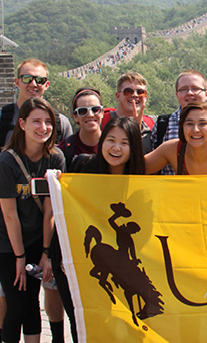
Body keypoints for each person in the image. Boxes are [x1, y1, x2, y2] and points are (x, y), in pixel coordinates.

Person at [0, 58, 71, 343]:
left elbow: (51, 210)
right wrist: (17, 255)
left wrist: (44, 251)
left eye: (39, 80)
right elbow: (6, 210)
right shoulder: (3, 145)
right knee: (13, 299)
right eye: (27, 78)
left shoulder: (56, 153)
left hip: (34, 237)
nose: (43, 127)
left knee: (29, 301)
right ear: (22, 124)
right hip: (5, 237)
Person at [51, 116, 146, 342]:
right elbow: (65, 211)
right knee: (82, 319)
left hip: (117, 264)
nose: (116, 148)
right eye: (111, 140)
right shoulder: (82, 166)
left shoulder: (140, 181)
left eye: (124, 143)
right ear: (102, 141)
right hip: (76, 257)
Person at [146, 102, 207, 175]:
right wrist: (134, 129)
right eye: (189, 124)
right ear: (182, 127)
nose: (195, 130)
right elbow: (138, 167)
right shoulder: (172, 149)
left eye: (202, 123)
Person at [152, 69, 207, 174]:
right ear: (177, 94)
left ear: (206, 94)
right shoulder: (163, 123)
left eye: (195, 88)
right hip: (170, 188)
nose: (189, 93)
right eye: (183, 89)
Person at [58, 87, 104, 170]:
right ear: (75, 116)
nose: (90, 115)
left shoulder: (113, 146)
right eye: (83, 111)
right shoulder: (64, 150)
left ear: (102, 113)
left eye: (95, 109)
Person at [111, 72, 157, 154]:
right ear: (118, 96)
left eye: (140, 92)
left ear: (145, 97)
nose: (135, 95)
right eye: (128, 91)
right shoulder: (103, 122)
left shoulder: (154, 124)